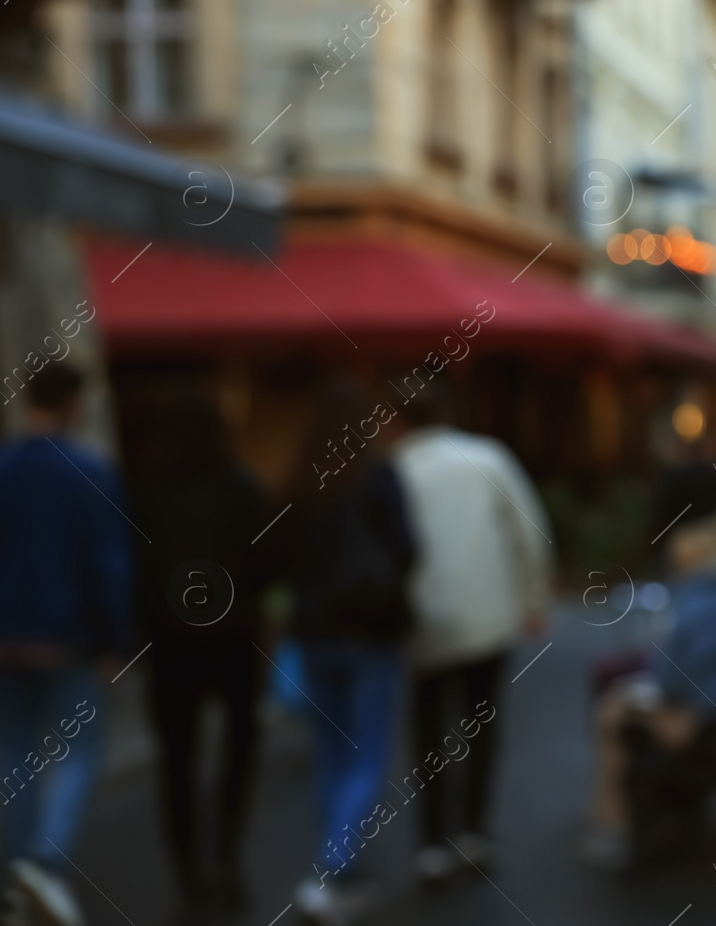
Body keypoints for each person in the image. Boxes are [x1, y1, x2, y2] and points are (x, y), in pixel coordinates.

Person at [388, 385, 553, 883]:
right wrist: (533, 598)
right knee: (481, 723)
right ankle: (474, 828)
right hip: (487, 613)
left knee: (428, 728)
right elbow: (529, 529)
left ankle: (433, 838)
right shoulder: (485, 456)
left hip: (421, 618)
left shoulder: (392, 467)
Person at [278, 380, 416, 925]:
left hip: (315, 636)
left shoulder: (300, 481)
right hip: (369, 634)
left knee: (332, 756)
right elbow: (407, 549)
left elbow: (282, 561)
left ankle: (342, 866)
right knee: (366, 757)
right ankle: (333, 868)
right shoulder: (377, 478)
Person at [0, 365, 134, 926]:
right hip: (68, 637)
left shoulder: (6, 468)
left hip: (8, 637)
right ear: (75, 403)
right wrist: (115, 638)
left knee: (14, 753)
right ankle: (44, 860)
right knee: (79, 750)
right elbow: (109, 565)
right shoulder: (88, 472)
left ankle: (19, 871)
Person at [581, 509, 716, 870]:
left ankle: (612, 826)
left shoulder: (696, 605)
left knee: (612, 710)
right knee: (622, 703)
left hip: (706, 722)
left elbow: (668, 681)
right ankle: (617, 822)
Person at [128, 396, 268, 909]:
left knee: (177, 758)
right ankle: (227, 859)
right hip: (235, 640)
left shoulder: (144, 494)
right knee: (239, 749)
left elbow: (134, 572)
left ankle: (186, 872)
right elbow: (267, 563)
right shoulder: (242, 489)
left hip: (169, 645)